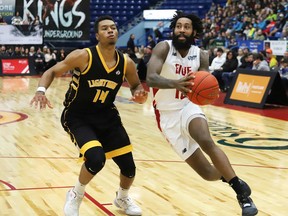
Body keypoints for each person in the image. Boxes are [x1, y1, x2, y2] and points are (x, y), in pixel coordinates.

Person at [30, 15, 147, 216]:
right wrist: (41, 91)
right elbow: (51, 71)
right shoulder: (82, 56)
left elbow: (136, 84)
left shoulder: (126, 62)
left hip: (107, 116)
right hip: (78, 116)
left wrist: (138, 93)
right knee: (95, 158)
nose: (110, 30)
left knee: (129, 168)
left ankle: (122, 197)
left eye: (113, 27)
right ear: (97, 35)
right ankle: (76, 194)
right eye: (105, 28)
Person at [146, 11, 258, 216]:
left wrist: (208, 93)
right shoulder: (164, 47)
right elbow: (151, 78)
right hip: (167, 114)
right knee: (208, 174)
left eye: (186, 27)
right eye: (178, 26)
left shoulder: (201, 54)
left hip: (188, 106)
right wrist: (175, 84)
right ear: (173, 29)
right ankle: (229, 176)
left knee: (206, 140)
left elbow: (205, 83)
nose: (181, 30)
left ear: (194, 31)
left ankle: (242, 195)